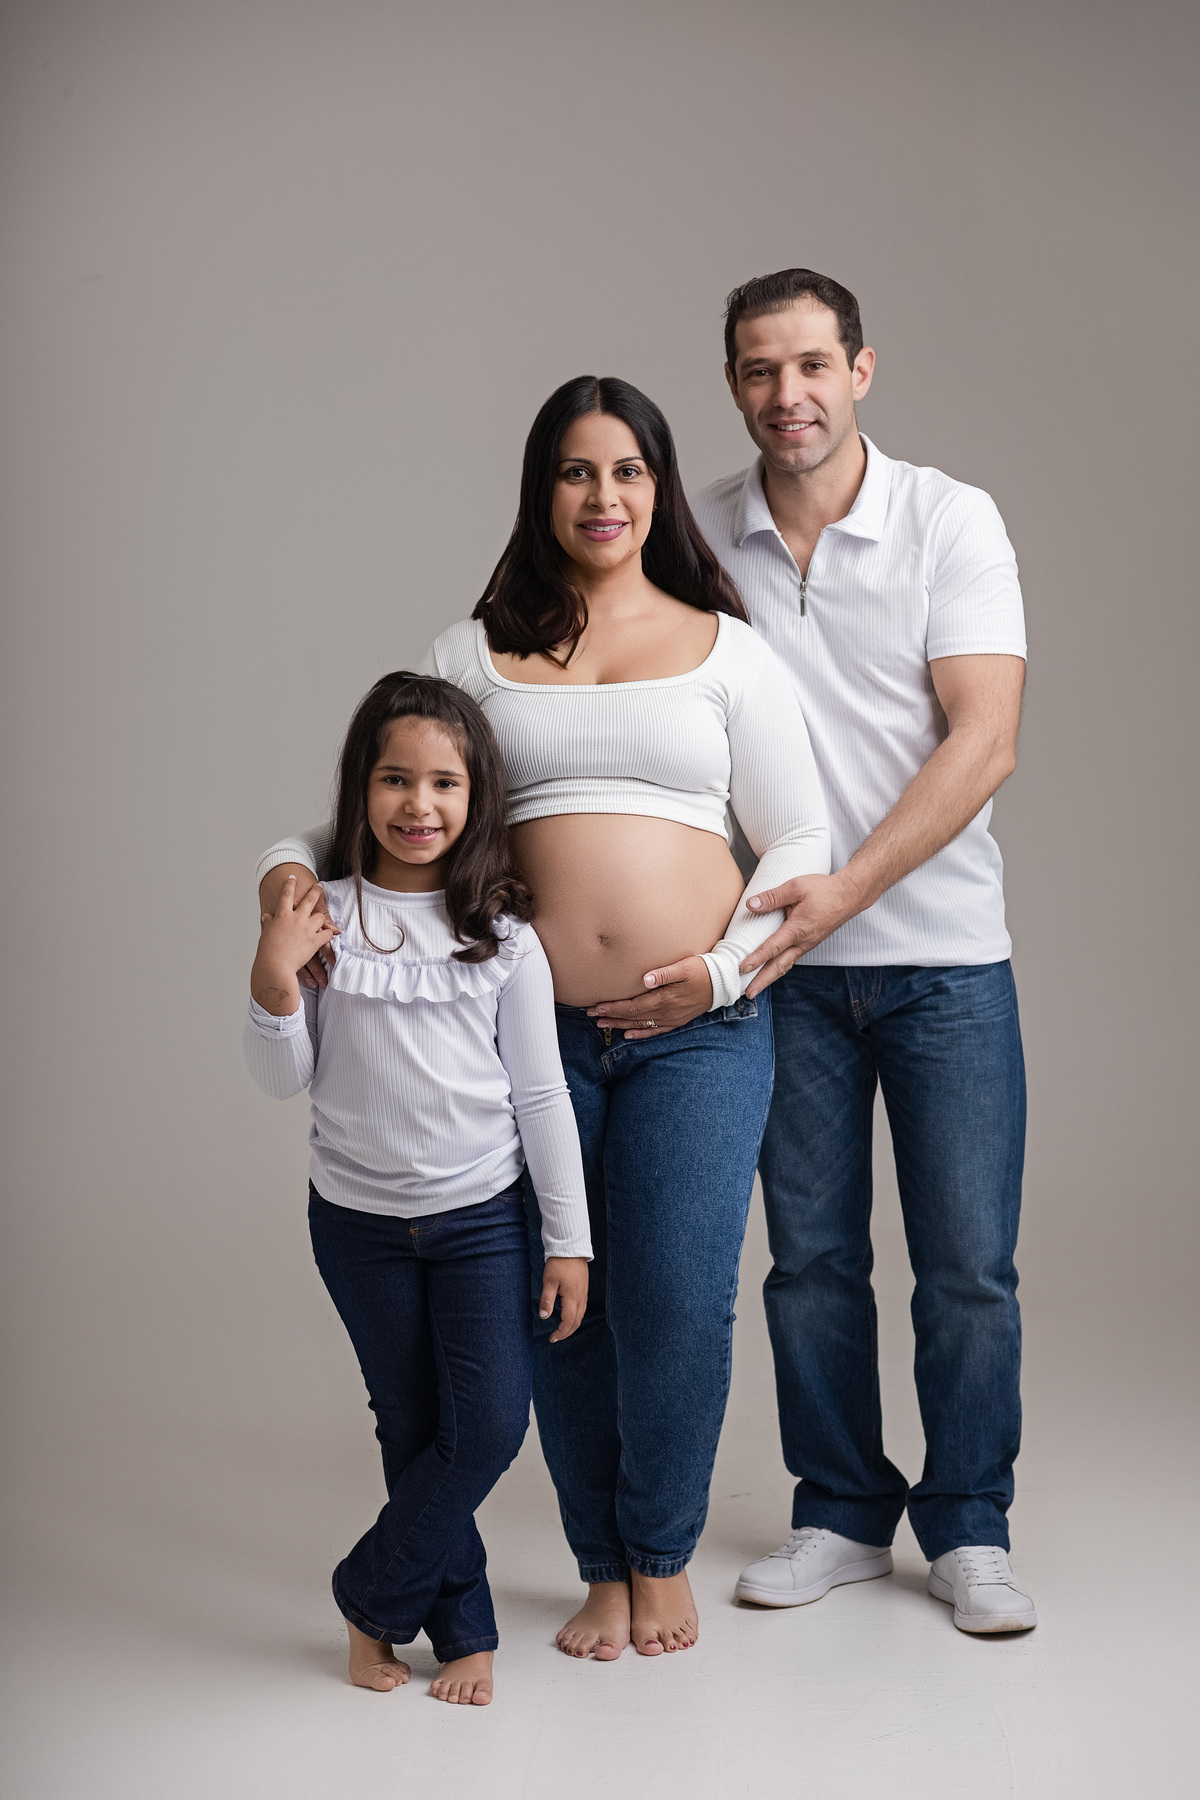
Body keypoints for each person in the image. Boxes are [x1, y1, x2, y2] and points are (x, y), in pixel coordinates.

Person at [256, 375, 830, 1660]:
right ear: (542, 489)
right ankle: (599, 1563)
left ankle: (660, 1548)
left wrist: (721, 972)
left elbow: (799, 838)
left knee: (675, 1297)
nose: (603, 495)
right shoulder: (473, 654)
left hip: (698, 1029)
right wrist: (283, 872)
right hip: (525, 1037)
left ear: (659, 488)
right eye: (577, 471)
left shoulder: (727, 650)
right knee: (561, 1302)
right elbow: (383, 798)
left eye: (628, 471)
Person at [611, 266, 1034, 1632]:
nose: (784, 394)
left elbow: (985, 740)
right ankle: (843, 1510)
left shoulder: (949, 519)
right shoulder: (698, 535)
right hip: (778, 972)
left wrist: (842, 892)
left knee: (967, 1270)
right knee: (810, 1266)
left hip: (946, 960)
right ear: (732, 384)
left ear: (860, 370)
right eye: (757, 370)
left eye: (809, 365)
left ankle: (969, 1525)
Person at [244, 672, 592, 1705]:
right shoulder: (325, 918)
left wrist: (568, 1240)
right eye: (396, 779)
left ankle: (369, 1595)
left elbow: (540, 1094)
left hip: (481, 1219)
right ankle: (463, 1628)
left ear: (477, 799)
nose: (419, 804)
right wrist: (272, 977)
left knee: (483, 1427)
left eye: (445, 783)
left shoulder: (504, 935)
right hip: (357, 1225)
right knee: (409, 1423)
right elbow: (283, 1077)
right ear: (361, 789)